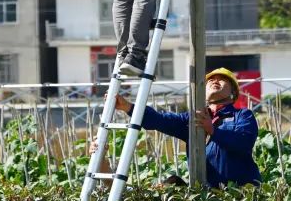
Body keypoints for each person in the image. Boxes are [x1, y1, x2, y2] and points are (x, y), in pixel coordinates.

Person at [110, 67, 261, 188]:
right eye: (211, 80)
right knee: (171, 183)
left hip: (239, 193)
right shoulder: (192, 118)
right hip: (206, 193)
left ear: (233, 92)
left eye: (222, 79)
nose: (215, 81)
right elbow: (159, 120)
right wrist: (128, 107)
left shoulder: (242, 115)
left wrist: (213, 130)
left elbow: (244, 142)